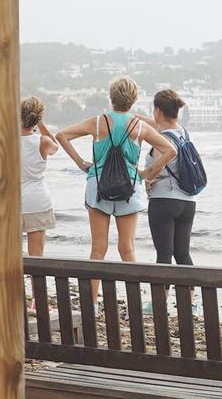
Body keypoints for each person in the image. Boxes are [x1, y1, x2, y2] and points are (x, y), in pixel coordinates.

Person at [53, 77, 176, 267]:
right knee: (127, 248)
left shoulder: (97, 122)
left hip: (98, 185)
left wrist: (80, 163)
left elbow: (61, 135)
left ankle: (92, 297)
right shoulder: (140, 126)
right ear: (134, 100)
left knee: (98, 249)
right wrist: (146, 174)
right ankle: (133, 297)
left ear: (111, 98)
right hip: (129, 186)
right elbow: (171, 150)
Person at [144, 88, 197, 266]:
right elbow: (155, 125)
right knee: (183, 255)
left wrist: (146, 178)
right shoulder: (183, 132)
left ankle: (161, 295)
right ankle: (190, 294)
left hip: (164, 201)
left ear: (158, 110)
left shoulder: (162, 138)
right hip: (187, 202)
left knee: (164, 256)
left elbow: (156, 168)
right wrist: (134, 119)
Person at [19, 96, 74, 257]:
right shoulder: (43, 142)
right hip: (37, 201)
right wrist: (41, 124)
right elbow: (55, 146)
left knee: (10, 256)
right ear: (38, 118)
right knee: (37, 255)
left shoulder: (7, 140)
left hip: (11, 201)